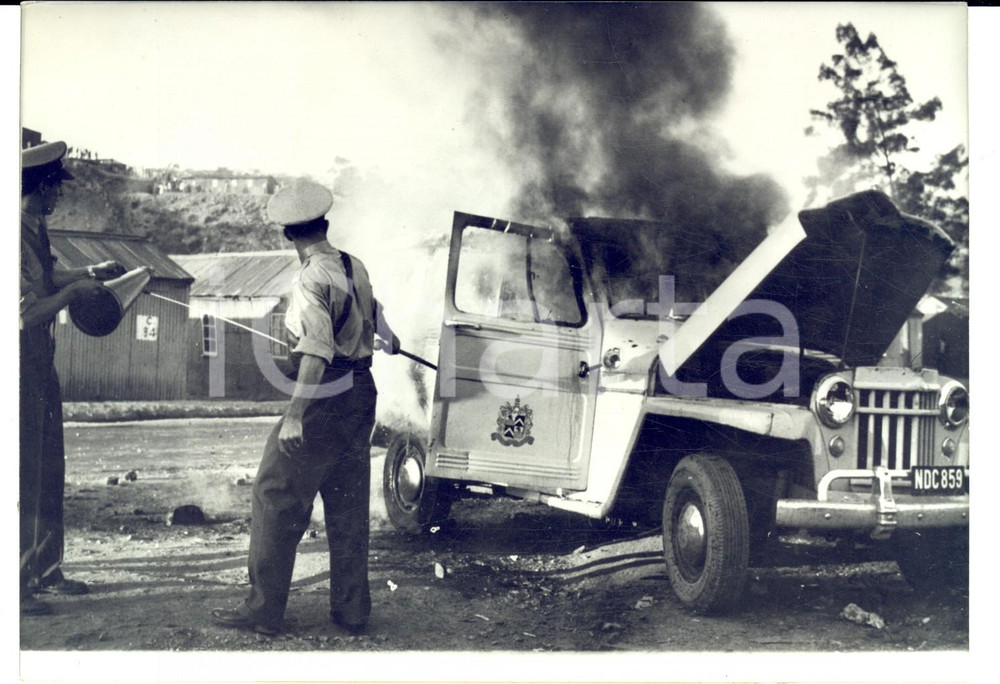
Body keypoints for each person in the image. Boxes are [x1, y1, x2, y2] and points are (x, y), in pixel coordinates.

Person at [212, 180, 400, 635]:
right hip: (362, 392)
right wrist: (387, 337)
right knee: (348, 502)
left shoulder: (310, 278)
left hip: (327, 393)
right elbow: (377, 317)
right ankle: (352, 612)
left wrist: (295, 415)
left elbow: (316, 352)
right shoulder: (355, 266)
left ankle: (262, 612)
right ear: (325, 225)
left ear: (289, 236)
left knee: (275, 493)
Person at [20, 141, 126, 616]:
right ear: (37, 188)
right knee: (23, 473)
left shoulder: (34, 228)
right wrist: (77, 291)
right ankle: (18, 585)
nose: (58, 196)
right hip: (19, 361)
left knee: (47, 466)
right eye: (54, 188)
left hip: (39, 361)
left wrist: (89, 272)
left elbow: (46, 282)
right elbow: (24, 312)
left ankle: (44, 570)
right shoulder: (13, 231)